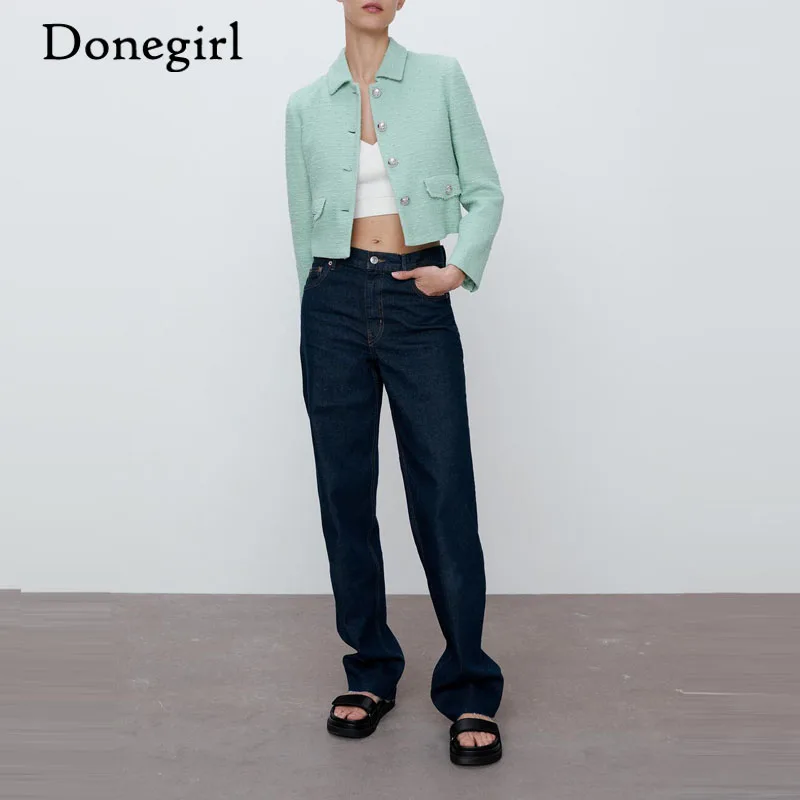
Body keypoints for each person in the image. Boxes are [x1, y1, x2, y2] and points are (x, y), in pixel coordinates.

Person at [284, 0, 505, 767]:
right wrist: (315, 309)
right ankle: (371, 667)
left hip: (418, 297)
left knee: (444, 492)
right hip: (332, 301)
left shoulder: (440, 78)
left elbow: (485, 190)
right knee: (344, 492)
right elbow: (300, 227)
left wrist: (458, 268)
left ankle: (469, 681)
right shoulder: (305, 106)